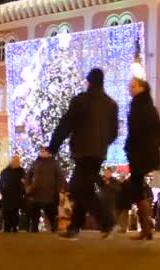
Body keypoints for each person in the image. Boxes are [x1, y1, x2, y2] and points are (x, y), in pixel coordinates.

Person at [47, 68, 119, 240]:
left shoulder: (81, 101)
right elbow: (114, 132)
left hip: (83, 150)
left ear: (89, 81)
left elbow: (66, 123)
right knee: (83, 188)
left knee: (80, 188)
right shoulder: (111, 104)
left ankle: (107, 222)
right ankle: (74, 228)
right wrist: (102, 143)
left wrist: (53, 145)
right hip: (99, 153)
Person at [124, 77, 160, 239]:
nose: (130, 89)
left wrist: (132, 146)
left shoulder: (141, 106)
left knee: (137, 188)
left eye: (133, 86)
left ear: (142, 88)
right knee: (137, 187)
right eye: (130, 87)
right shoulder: (145, 105)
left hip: (140, 152)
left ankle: (146, 229)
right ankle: (146, 229)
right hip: (143, 151)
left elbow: (140, 131)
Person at [26, 149, 66, 233]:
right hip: (37, 191)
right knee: (35, 212)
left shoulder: (54, 163)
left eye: (45, 151)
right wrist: (28, 185)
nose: (43, 152)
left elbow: (60, 176)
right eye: (42, 151)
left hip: (50, 192)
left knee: (51, 212)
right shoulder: (36, 162)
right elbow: (29, 175)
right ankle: (34, 228)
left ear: (49, 153)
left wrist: (59, 189)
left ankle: (54, 227)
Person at [0, 156, 26, 233]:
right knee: (6, 211)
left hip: (17, 194)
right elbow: (0, 182)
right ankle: (7, 227)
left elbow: (24, 182)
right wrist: (2, 190)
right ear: (11, 162)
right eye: (15, 161)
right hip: (7, 194)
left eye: (17, 161)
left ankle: (14, 227)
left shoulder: (21, 171)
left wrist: (23, 192)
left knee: (15, 211)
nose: (16, 162)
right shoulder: (5, 171)